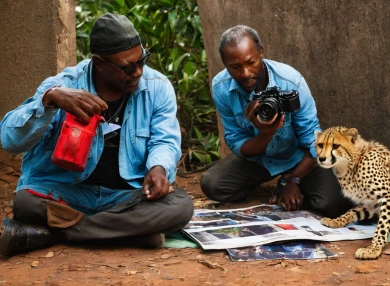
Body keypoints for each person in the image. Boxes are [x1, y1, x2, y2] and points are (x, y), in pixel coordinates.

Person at [0, 13, 193, 257]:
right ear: (99, 63)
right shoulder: (64, 85)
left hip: (126, 197)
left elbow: (165, 140)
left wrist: (159, 167)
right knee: (25, 202)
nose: (138, 72)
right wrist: (49, 100)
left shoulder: (157, 87)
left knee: (180, 207)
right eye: (127, 67)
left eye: (142, 60)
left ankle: (57, 233)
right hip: (67, 193)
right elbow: (10, 141)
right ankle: (130, 232)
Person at [200, 25, 353, 218]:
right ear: (225, 63)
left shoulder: (291, 81)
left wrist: (293, 181)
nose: (246, 73)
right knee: (213, 185)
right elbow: (236, 141)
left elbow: (314, 142)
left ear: (261, 51)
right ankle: (275, 184)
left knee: (331, 203)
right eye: (235, 67)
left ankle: (289, 185)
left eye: (251, 62)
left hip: (298, 156)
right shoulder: (221, 88)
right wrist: (266, 134)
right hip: (260, 159)